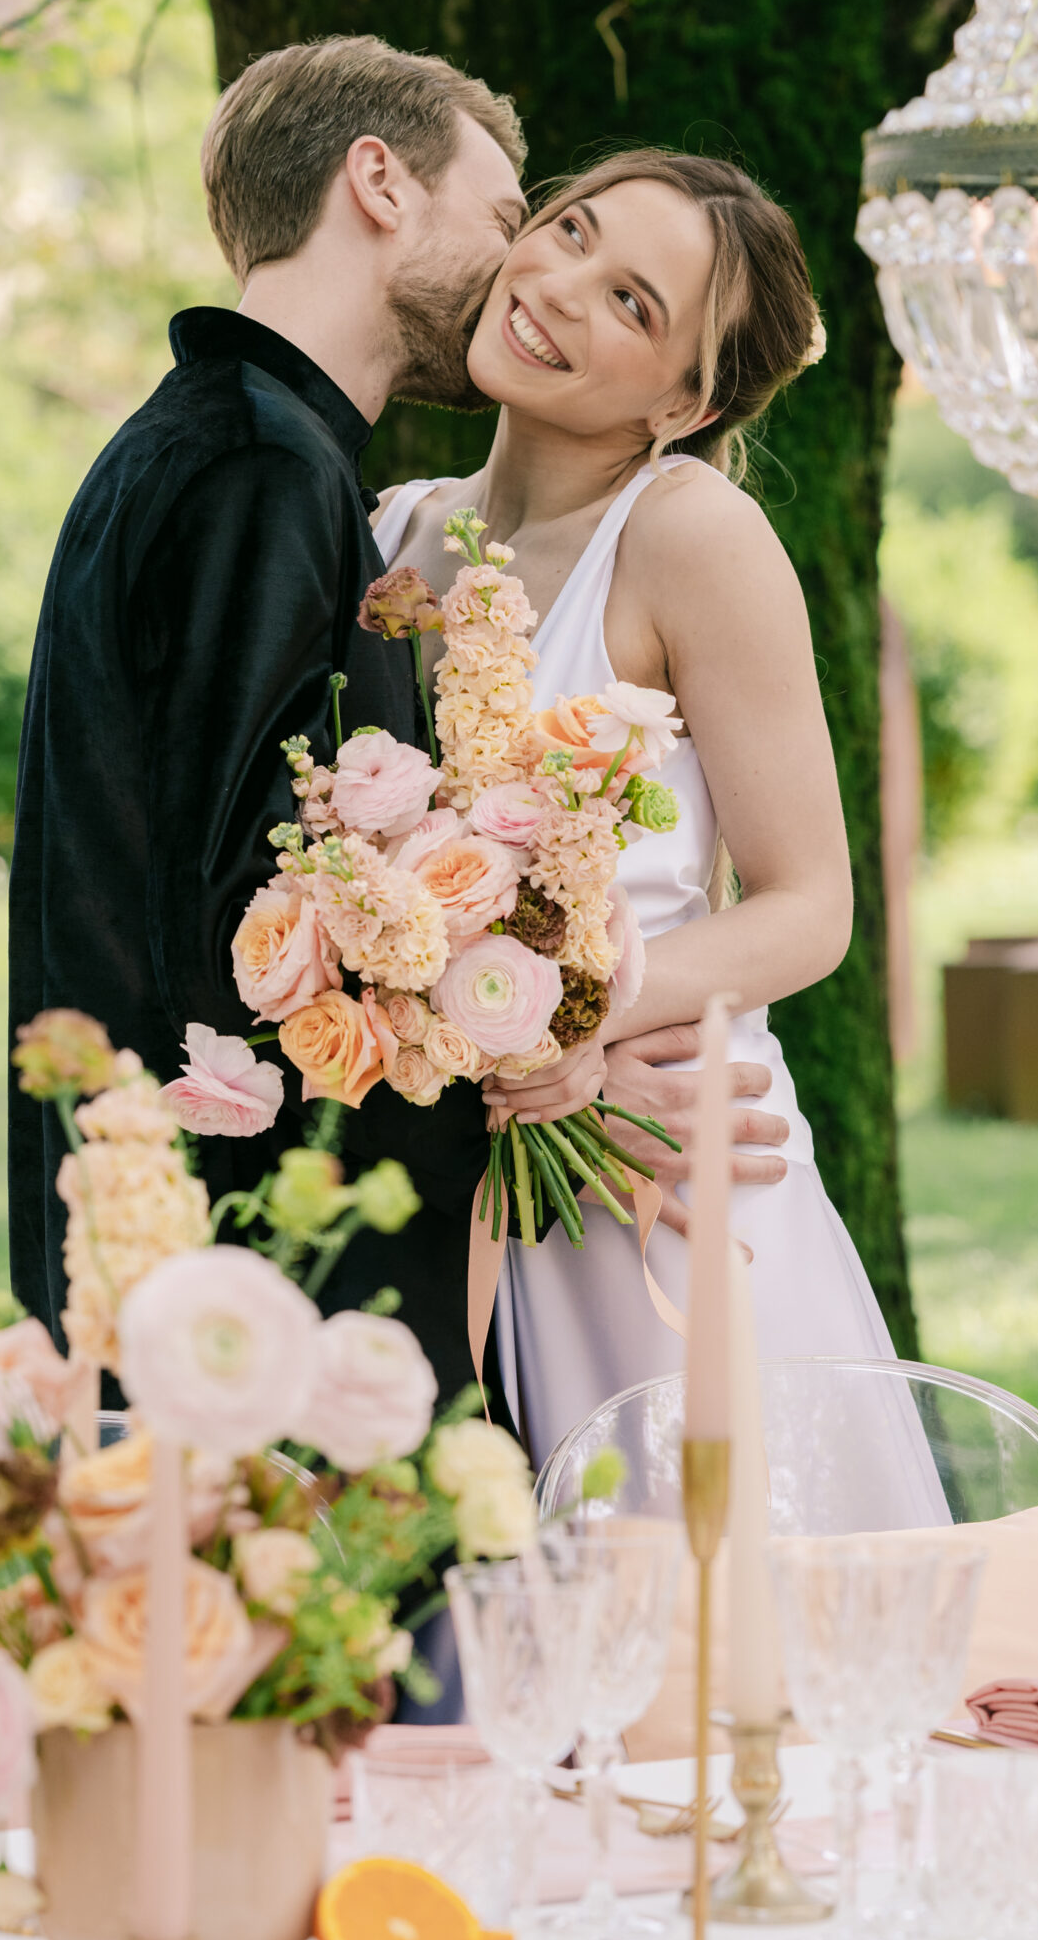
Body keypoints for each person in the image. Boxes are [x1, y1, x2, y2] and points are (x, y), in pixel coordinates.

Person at [372, 150, 948, 1521]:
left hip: (661, 1189)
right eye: (569, 232)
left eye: (632, 302)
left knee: (711, 1604)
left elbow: (808, 905)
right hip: (457, 1192)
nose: (561, 287)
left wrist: (569, 1014)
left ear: (682, 403)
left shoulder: (692, 536)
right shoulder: (385, 534)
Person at [8, 34, 556, 1405]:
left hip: (194, 1256)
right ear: (379, 181)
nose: (518, 267)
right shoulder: (258, 467)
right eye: (502, 217)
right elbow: (252, 912)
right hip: (255, 1284)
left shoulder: (220, 443)